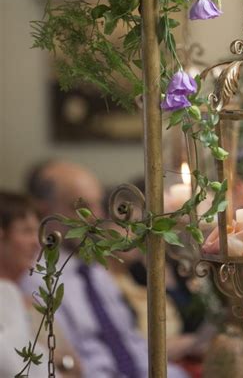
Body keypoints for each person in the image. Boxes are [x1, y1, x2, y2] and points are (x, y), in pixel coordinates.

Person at [23, 159, 189, 378]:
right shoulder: (37, 278)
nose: (96, 216)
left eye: (97, 204)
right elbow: (65, 361)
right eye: (81, 207)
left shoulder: (95, 271)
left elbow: (129, 341)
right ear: (45, 210)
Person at [0, 190, 81, 377]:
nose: (37, 243)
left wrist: (64, 362)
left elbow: (76, 366)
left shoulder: (32, 302)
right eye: (26, 231)